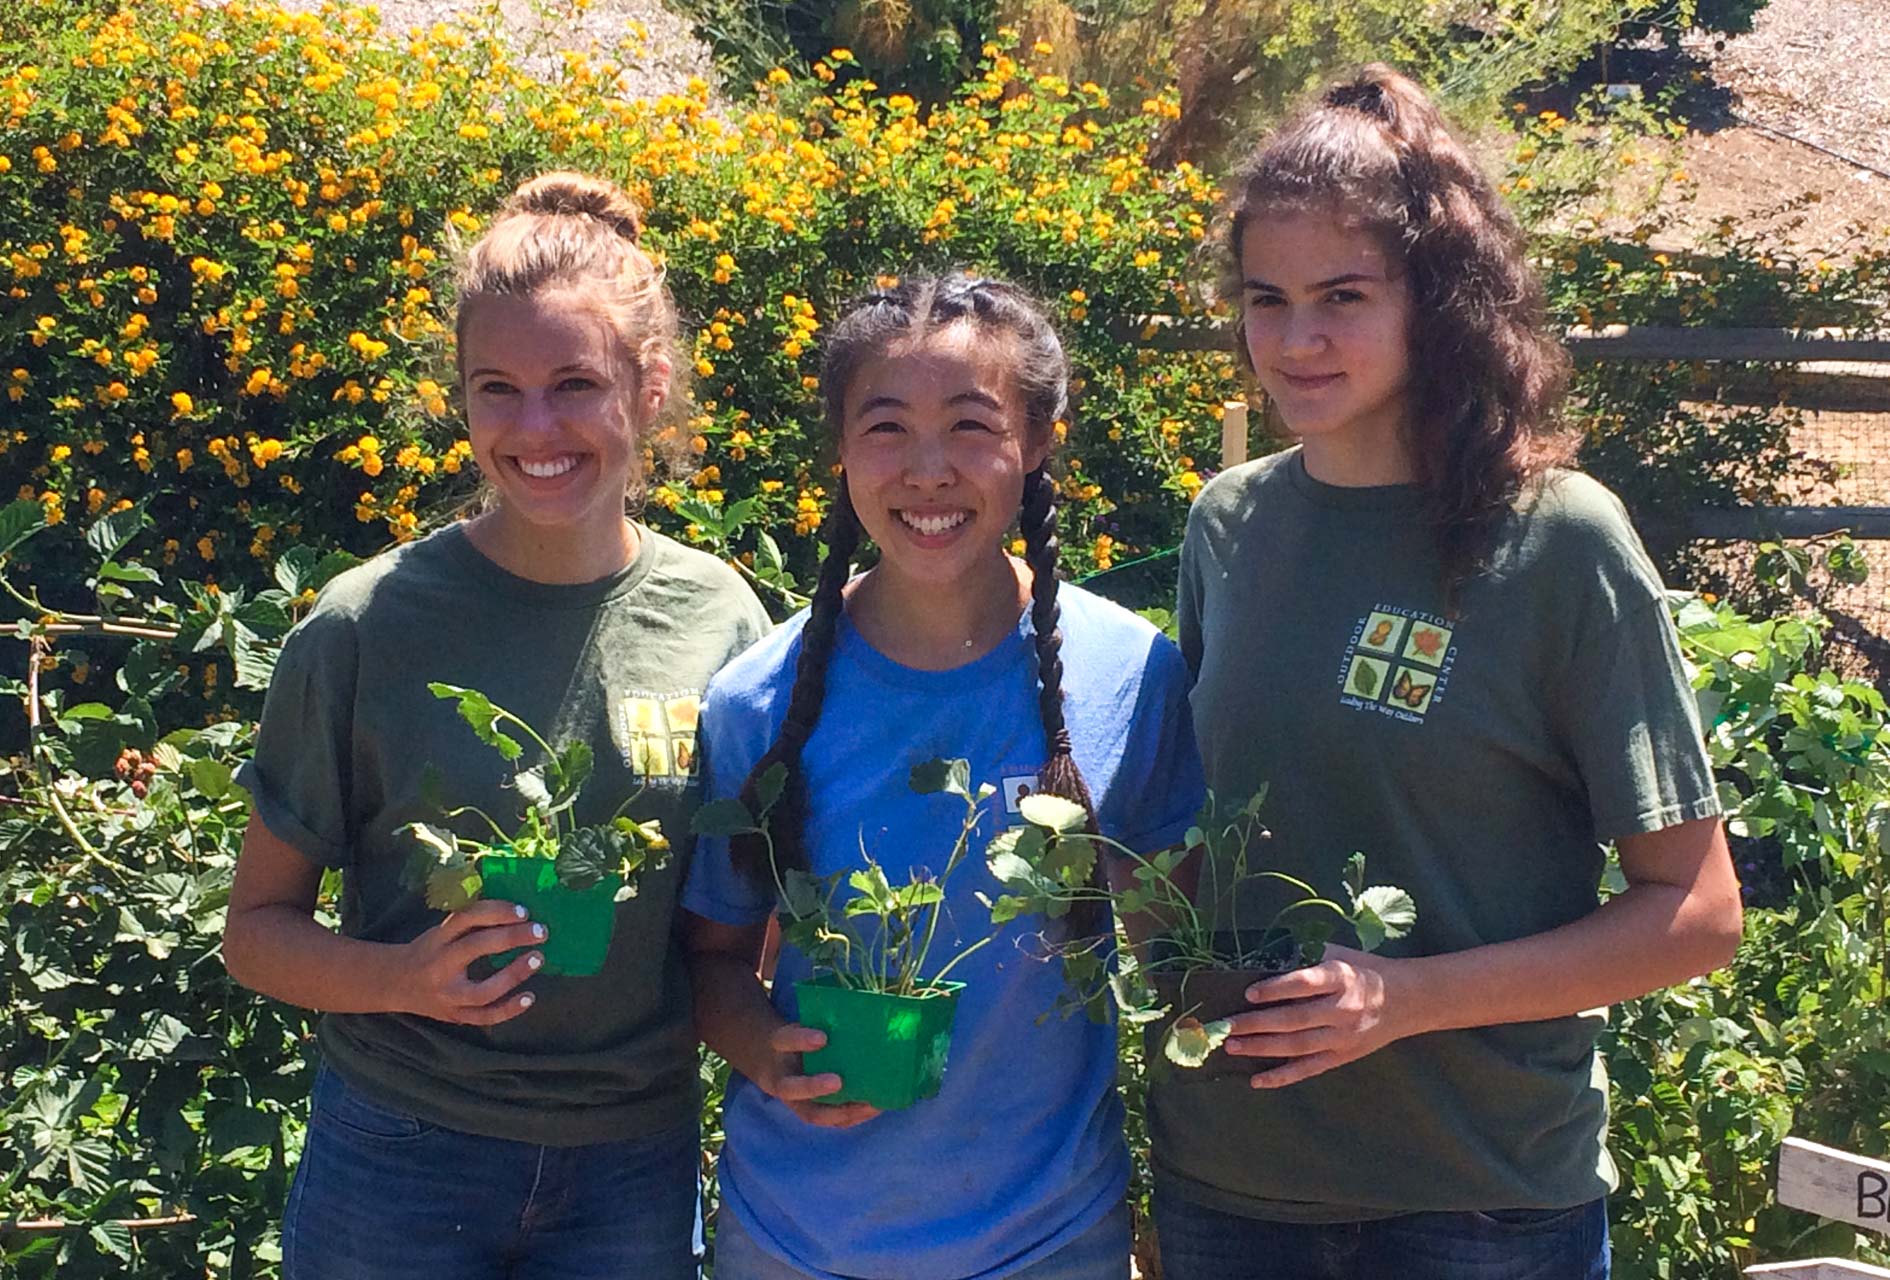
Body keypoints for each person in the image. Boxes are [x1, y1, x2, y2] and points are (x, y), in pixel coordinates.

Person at [1150, 66, 1744, 1280]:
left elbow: (1696, 912)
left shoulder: (1559, 538)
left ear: (1442, 301)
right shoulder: (1228, 525)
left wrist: (1406, 997)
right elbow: (1202, 843)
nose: (1297, 339)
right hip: (1230, 1187)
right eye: (1267, 299)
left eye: (1344, 296)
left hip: (1477, 1207)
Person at [222, 171, 770, 1279]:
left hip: (630, 1161)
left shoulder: (724, 621)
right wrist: (406, 976)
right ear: (461, 400)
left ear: (649, 387)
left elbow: (728, 929)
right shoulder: (365, 624)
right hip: (399, 1150)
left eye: (575, 383)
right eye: (496, 390)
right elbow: (256, 928)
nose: (534, 430)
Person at [682, 273, 1204, 1280]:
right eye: (886, 427)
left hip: (1049, 1241)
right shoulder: (756, 700)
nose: (928, 471)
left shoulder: (1133, 677)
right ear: (840, 447)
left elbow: (1176, 959)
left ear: (1040, 438)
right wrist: (766, 1049)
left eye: (972, 425)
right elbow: (711, 960)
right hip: (797, 1241)